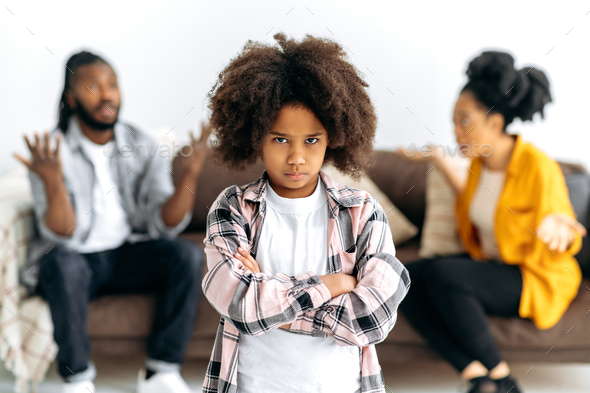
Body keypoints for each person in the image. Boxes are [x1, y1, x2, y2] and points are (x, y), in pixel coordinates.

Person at [200, 33, 411, 393]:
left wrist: (268, 301)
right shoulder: (232, 207)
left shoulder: (362, 212)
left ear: (333, 137)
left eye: (311, 140)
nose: (297, 157)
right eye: (280, 139)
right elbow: (236, 300)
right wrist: (332, 286)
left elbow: (374, 318)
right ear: (255, 137)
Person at [13, 51, 209, 393]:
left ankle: (161, 373)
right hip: (73, 261)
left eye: (112, 85)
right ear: (71, 98)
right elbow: (63, 234)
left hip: (124, 254)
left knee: (187, 255)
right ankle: (77, 380)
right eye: (93, 86)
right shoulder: (51, 150)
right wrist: (53, 182)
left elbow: (164, 225)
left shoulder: (142, 144)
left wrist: (189, 177)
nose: (107, 95)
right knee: (61, 262)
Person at [398, 51, 587, 393]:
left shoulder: (537, 167)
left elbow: (565, 225)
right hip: (492, 266)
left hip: (533, 274)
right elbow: (479, 202)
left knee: (445, 275)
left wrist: (562, 228)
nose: (457, 130)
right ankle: (474, 374)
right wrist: (438, 159)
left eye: (464, 121)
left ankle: (504, 380)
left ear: (495, 123)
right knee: (404, 277)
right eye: (454, 121)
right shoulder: (479, 164)